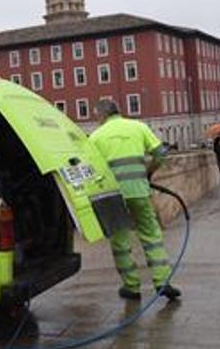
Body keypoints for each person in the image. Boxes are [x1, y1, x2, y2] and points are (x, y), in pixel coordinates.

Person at [89, 99, 182, 301]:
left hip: (113, 196)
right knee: (151, 235)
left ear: (102, 115)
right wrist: (148, 172)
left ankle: (132, 287)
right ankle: (162, 282)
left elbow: (92, 170)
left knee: (120, 240)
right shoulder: (138, 127)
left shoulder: (96, 136)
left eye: (96, 115)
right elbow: (160, 153)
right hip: (139, 191)